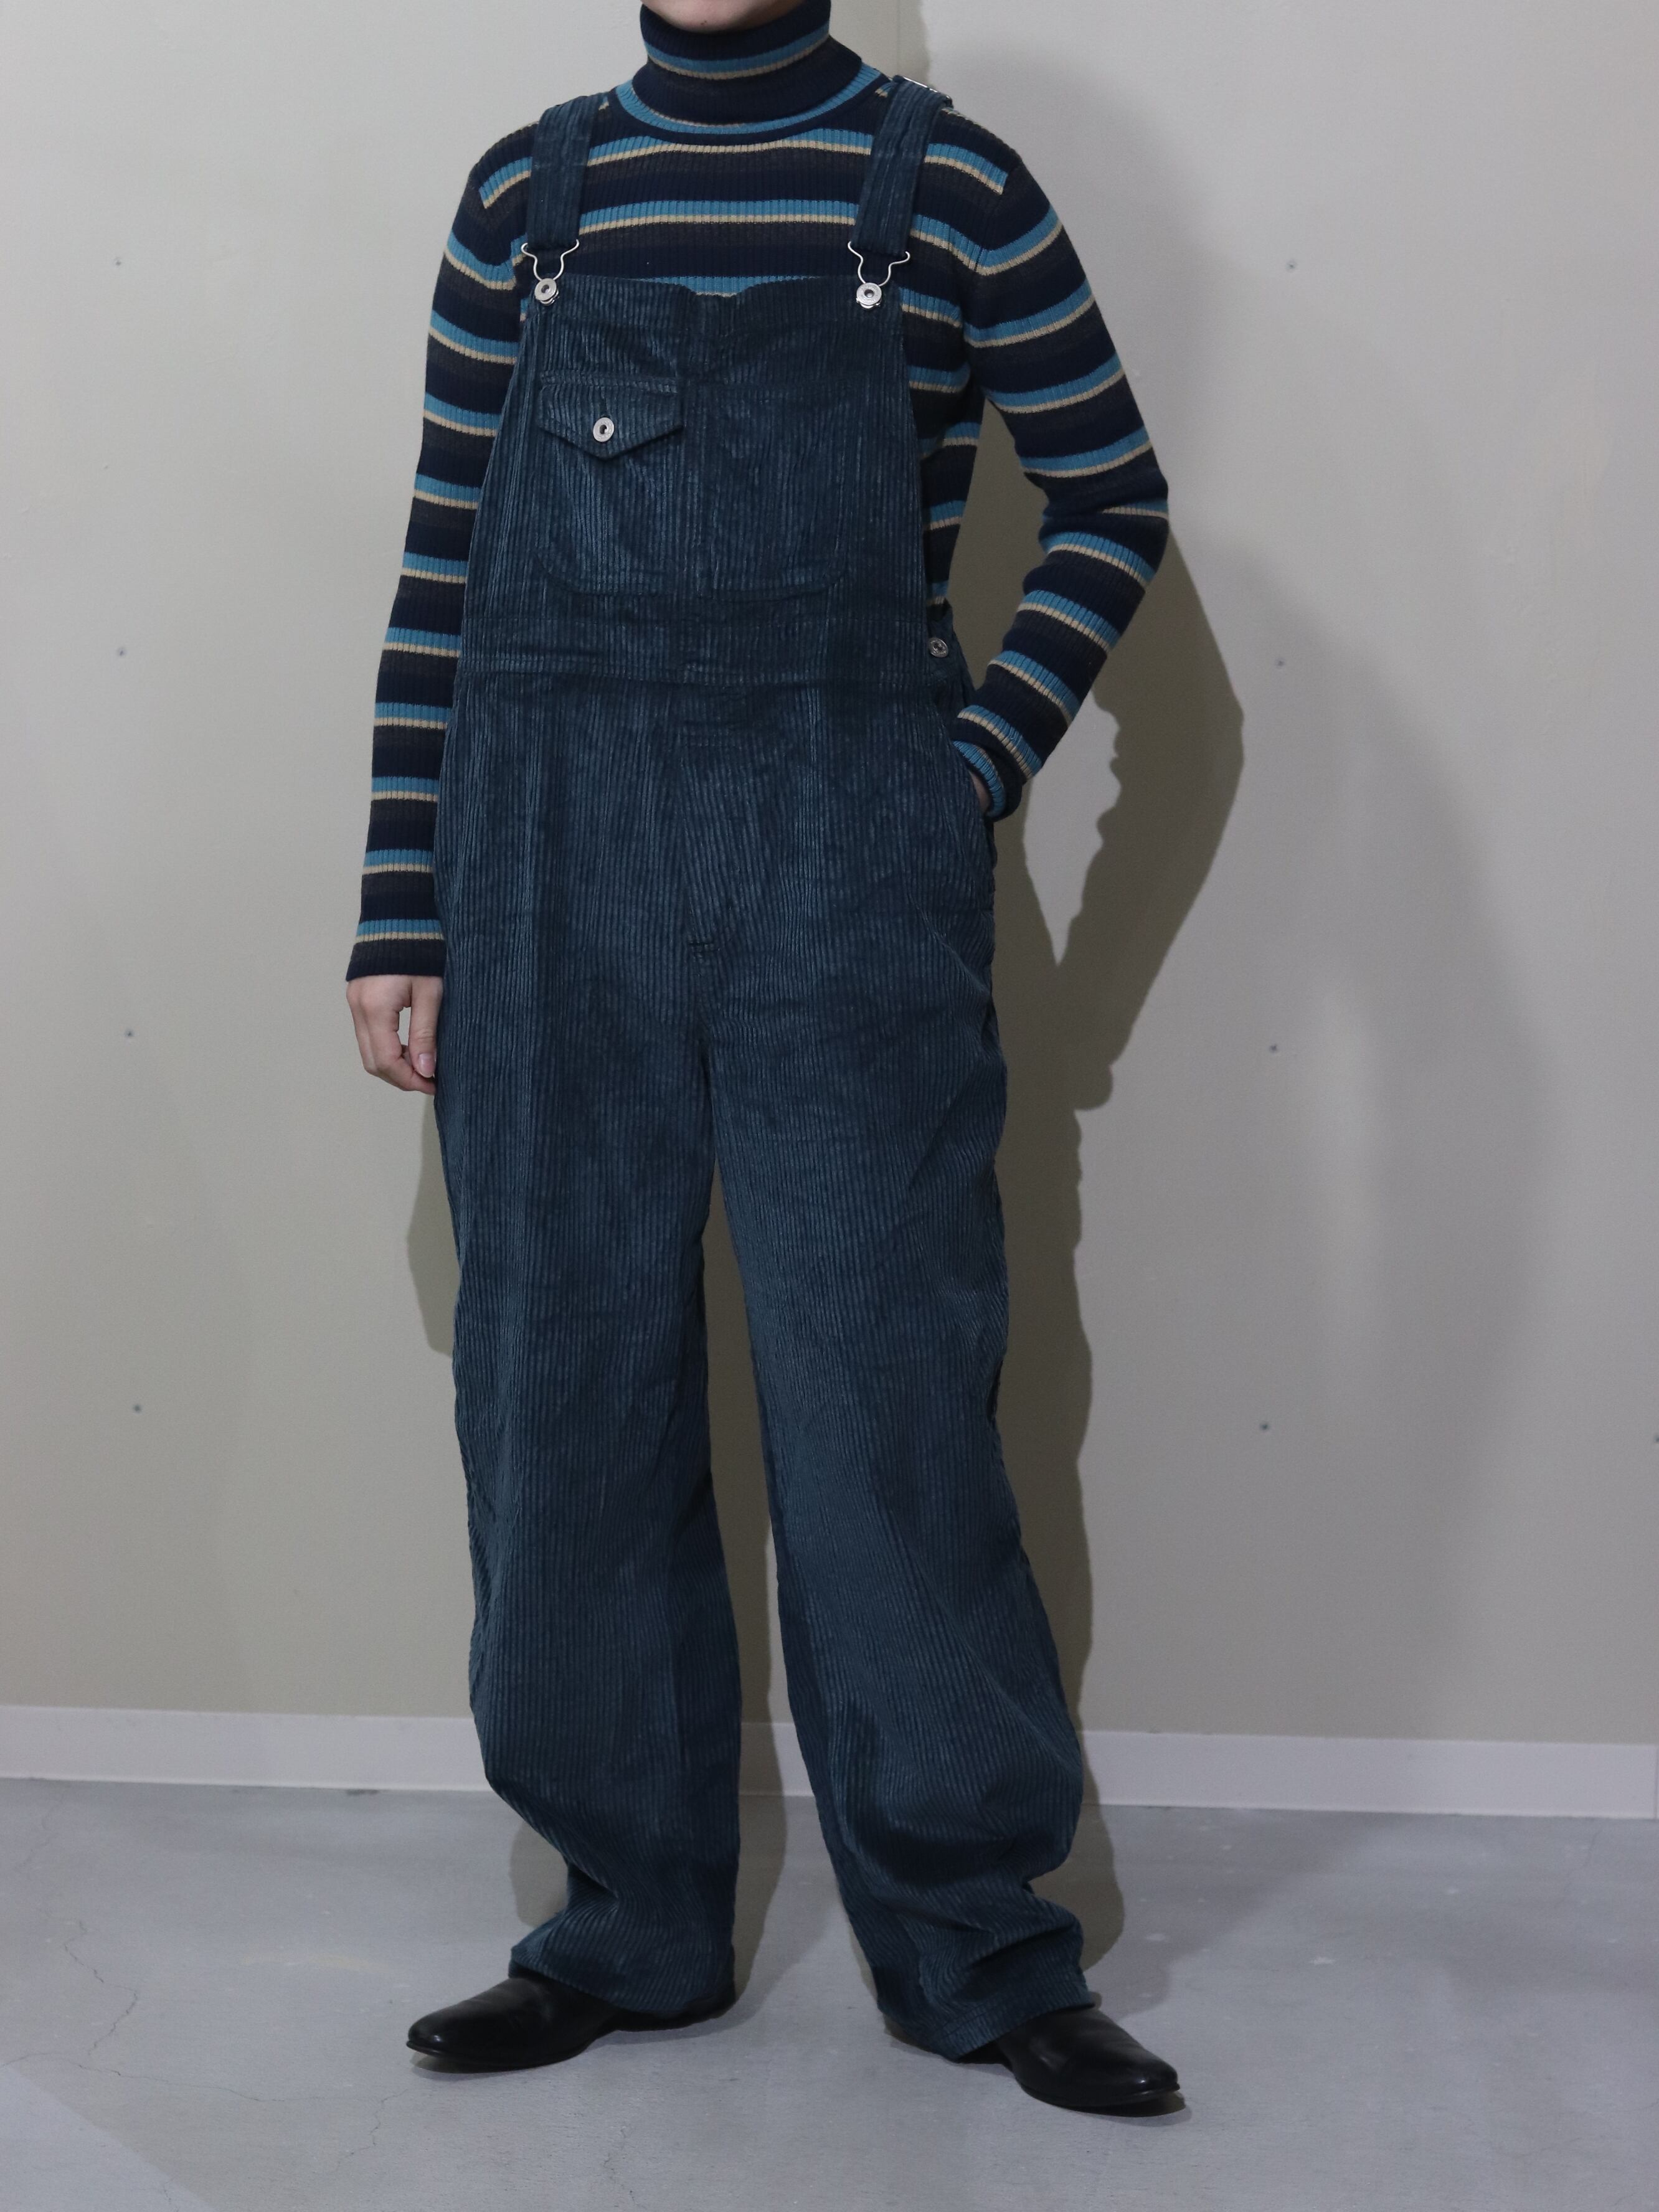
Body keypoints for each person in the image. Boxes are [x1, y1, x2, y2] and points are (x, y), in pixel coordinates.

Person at [345, 0, 1180, 2117]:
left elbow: (1108, 500)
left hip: (848, 874)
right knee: (563, 1393)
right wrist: (398, 906)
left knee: (887, 1398)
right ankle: (622, 1926)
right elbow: (446, 562)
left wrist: (957, 777)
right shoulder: (529, 196)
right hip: (547, 872)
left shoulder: (950, 183)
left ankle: (979, 1946)